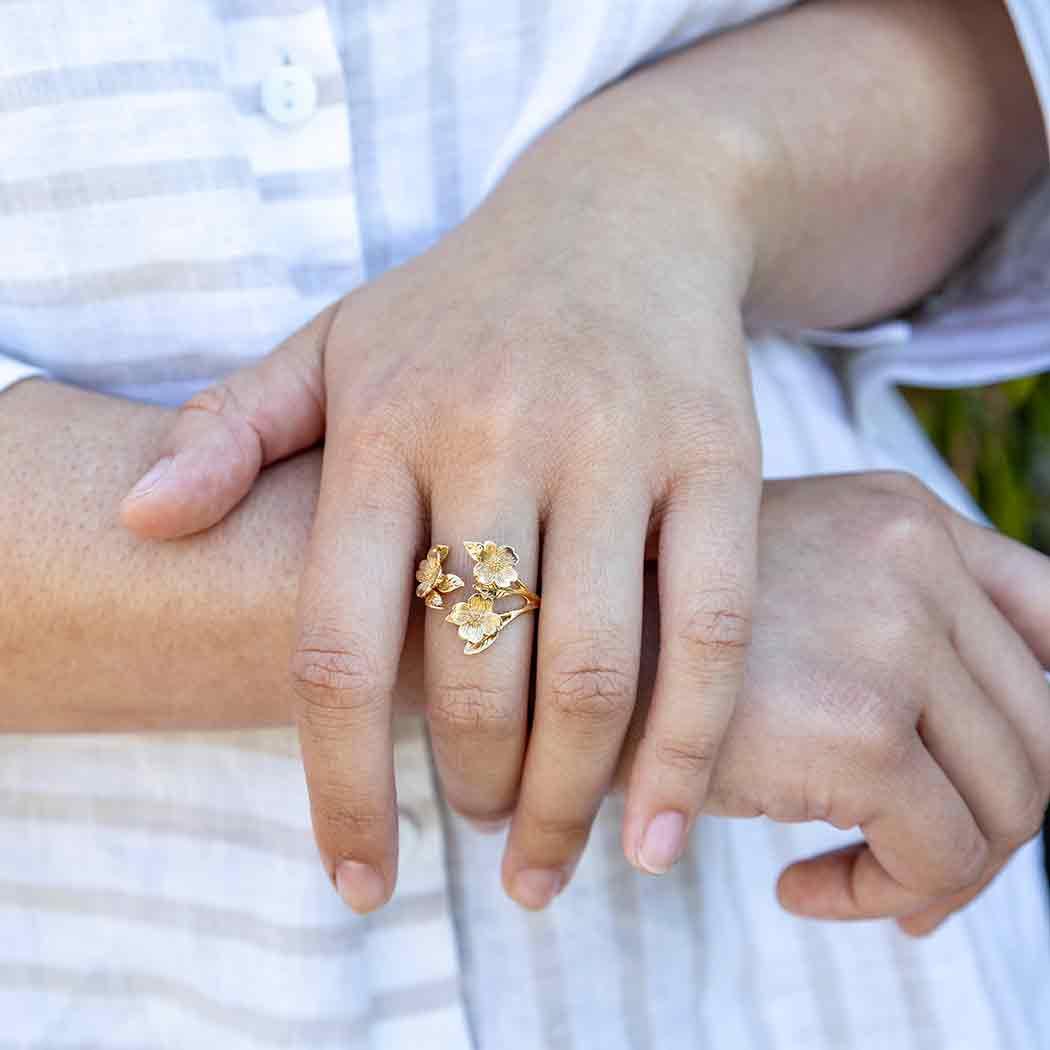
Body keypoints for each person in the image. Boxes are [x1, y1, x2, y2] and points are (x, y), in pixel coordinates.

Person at [0, 0, 1048, 1045]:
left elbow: (1014, 58)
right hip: (117, 967)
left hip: (815, 925)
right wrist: (644, 619)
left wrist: (664, 181)